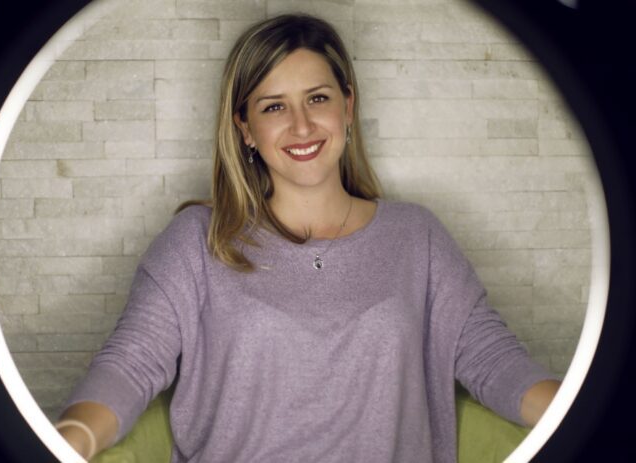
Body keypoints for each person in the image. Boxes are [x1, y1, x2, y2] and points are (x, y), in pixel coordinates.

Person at [56, 13, 560, 463]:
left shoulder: (416, 235)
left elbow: (493, 361)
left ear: (347, 105)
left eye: (317, 98)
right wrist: (72, 437)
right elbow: (130, 365)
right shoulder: (196, 242)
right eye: (273, 107)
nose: (301, 126)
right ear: (245, 128)